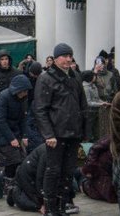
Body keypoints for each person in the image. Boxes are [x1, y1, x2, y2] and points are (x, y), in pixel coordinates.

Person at [33, 43, 87, 216]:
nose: (68, 59)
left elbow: (82, 105)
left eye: (70, 56)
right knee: (53, 170)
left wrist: (84, 131)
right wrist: (48, 134)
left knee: (68, 171)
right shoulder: (46, 78)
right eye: (64, 56)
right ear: (55, 59)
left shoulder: (76, 76)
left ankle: (63, 205)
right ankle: (50, 207)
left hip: (73, 132)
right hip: (56, 134)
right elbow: (40, 109)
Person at [0, 74, 32, 195]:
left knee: (21, 158)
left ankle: (10, 182)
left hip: (14, 131)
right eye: (23, 91)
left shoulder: (23, 99)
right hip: (0, 132)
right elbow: (0, 120)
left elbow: (23, 119)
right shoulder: (3, 97)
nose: (25, 94)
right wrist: (11, 139)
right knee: (12, 159)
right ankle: (7, 185)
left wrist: (24, 136)